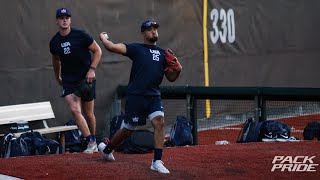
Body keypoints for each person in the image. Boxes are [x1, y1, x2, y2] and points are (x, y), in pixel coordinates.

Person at [98, 20, 182, 174]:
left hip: (153, 96)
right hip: (136, 96)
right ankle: (107, 149)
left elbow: (171, 77)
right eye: (149, 29)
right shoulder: (136, 48)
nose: (153, 31)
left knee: (159, 122)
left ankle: (156, 161)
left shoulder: (164, 54)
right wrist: (104, 39)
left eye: (155, 29)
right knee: (127, 130)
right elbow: (112, 47)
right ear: (143, 33)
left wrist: (177, 69)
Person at [49, 8, 102, 153]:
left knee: (88, 113)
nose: (64, 20)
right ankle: (90, 141)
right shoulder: (54, 42)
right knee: (74, 109)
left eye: (67, 17)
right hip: (69, 81)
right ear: (57, 21)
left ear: (70, 20)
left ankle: (94, 142)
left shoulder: (81, 35)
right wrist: (57, 76)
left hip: (86, 78)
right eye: (61, 17)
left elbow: (98, 51)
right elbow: (55, 61)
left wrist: (92, 69)